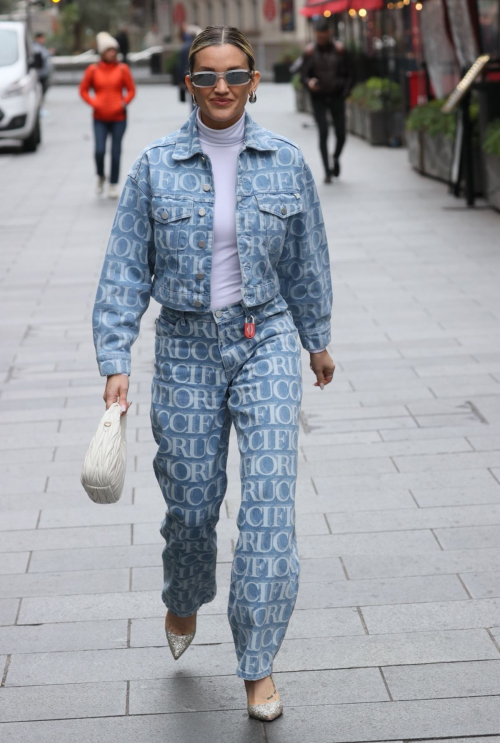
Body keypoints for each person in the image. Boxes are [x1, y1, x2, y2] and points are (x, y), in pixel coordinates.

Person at [92, 25, 334, 721]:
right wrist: (115, 361)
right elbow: (123, 271)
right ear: (188, 83)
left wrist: (316, 341)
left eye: (234, 75)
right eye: (206, 76)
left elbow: (307, 260)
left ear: (255, 81)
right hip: (186, 348)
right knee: (192, 504)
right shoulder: (153, 166)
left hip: (267, 339)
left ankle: (258, 663)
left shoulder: (286, 162)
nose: (221, 88)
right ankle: (183, 591)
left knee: (268, 508)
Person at [79, 32, 136, 198]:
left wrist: (123, 102)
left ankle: (113, 184)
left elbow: (131, 90)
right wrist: (93, 102)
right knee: (99, 150)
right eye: (109, 50)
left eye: (114, 50)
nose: (113, 53)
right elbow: (83, 90)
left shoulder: (123, 69)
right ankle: (100, 176)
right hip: (99, 118)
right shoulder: (93, 70)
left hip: (119, 118)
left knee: (116, 152)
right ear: (102, 52)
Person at [301, 18, 353, 183]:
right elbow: (303, 75)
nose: (321, 39)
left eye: (324, 36)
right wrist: (309, 83)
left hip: (337, 95)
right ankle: (327, 171)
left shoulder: (339, 50)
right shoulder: (310, 51)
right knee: (323, 131)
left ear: (329, 34)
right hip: (319, 97)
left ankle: (335, 157)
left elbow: (351, 74)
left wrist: (345, 91)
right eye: (319, 36)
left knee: (341, 134)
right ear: (316, 35)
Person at [32, 32, 52, 98]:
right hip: (40, 73)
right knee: (40, 90)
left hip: (43, 73)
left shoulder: (41, 46)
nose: (44, 40)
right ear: (38, 38)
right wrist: (49, 52)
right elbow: (42, 56)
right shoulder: (35, 47)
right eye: (42, 38)